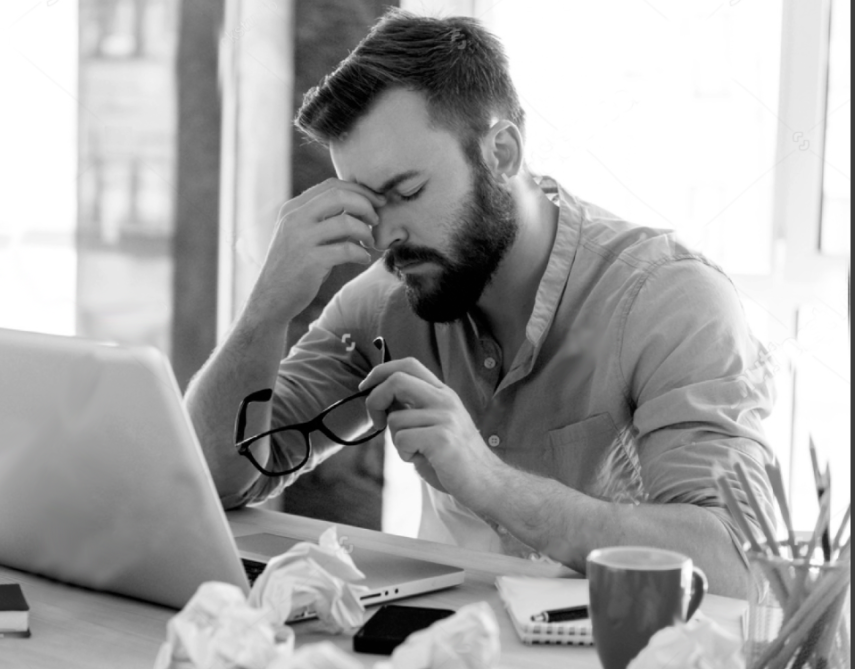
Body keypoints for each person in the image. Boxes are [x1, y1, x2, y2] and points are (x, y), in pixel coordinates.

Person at [184, 9, 776, 597]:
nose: (384, 237)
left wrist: (493, 482)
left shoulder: (669, 302)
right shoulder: (381, 305)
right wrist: (266, 309)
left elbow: (736, 566)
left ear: (502, 154)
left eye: (408, 191)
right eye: (367, 204)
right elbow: (219, 479)